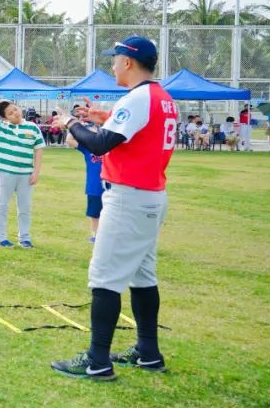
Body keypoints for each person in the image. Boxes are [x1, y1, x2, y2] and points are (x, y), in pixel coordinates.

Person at [51, 36, 177, 381]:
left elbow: (101, 143)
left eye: (116, 59)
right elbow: (141, 131)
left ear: (128, 62)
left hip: (129, 197)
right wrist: (105, 116)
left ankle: (97, 360)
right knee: (143, 276)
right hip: (149, 195)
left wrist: (71, 123)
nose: (113, 65)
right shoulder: (160, 96)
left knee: (104, 278)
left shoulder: (138, 97)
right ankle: (148, 352)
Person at [0, 98, 45, 248]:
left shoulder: (32, 127)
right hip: (6, 172)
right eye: (10, 113)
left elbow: (39, 150)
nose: (15, 113)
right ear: (5, 118)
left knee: (24, 207)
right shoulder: (1, 127)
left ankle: (25, 238)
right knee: (2, 204)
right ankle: (0, 237)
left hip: (26, 174)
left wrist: (36, 172)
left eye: (15, 109)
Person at [65, 109, 104, 242]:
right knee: (94, 213)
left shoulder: (111, 147)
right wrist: (76, 125)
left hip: (112, 185)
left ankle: (107, 235)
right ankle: (95, 235)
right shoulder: (87, 148)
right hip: (94, 186)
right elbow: (69, 139)